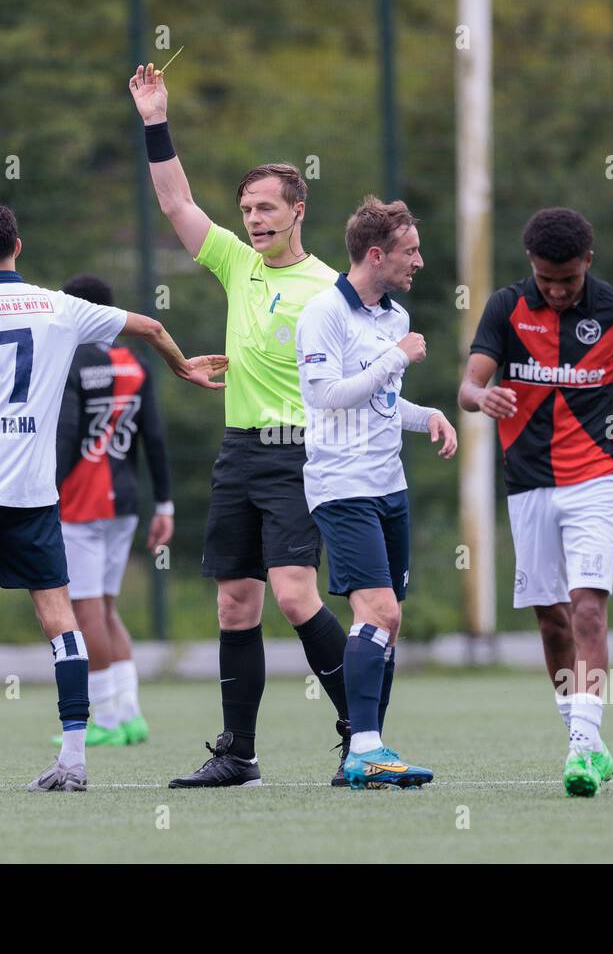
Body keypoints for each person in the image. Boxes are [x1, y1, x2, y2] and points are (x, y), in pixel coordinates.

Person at [0, 203, 225, 794]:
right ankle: (73, 759)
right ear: (19, 244)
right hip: (33, 491)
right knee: (59, 617)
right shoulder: (58, 306)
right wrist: (182, 369)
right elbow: (148, 326)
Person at [128, 62, 354, 788]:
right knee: (235, 602)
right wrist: (156, 119)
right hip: (239, 450)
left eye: (266, 208)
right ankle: (239, 754)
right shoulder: (234, 260)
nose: (254, 219)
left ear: (298, 211)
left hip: (298, 454)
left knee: (294, 594)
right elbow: (174, 199)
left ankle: (365, 731)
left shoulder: (330, 289)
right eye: (247, 208)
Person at [458, 207, 613, 797]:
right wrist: (479, 397)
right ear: (532, 267)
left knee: (588, 609)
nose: (559, 290)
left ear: (587, 262)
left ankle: (584, 745)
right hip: (529, 484)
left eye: (568, 280)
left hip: (595, 478)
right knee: (551, 621)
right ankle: (584, 736)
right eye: (547, 280)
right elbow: (469, 384)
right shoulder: (505, 308)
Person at [296, 197, 456, 789]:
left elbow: (380, 401)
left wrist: (428, 415)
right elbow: (327, 395)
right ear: (375, 254)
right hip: (342, 484)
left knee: (390, 622)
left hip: (390, 485)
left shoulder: (394, 318)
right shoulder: (323, 313)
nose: (419, 261)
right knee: (379, 612)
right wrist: (396, 358)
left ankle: (369, 751)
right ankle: (363, 747)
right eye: (410, 251)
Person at [49, 274, 170, 749]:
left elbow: (66, 434)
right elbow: (154, 439)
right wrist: (166, 502)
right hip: (126, 500)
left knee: (85, 610)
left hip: (81, 502)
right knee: (108, 607)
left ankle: (104, 717)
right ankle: (130, 713)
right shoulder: (135, 364)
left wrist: (47, 488)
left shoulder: (73, 361)